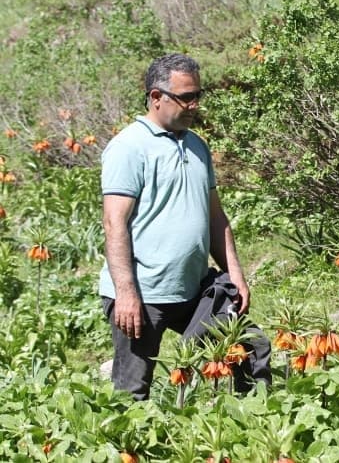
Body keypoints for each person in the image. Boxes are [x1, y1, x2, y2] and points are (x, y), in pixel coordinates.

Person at [99, 53, 264, 399]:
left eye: (197, 96)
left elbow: (216, 217)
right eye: (186, 97)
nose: (194, 105)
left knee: (251, 347)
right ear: (156, 97)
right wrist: (126, 294)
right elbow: (115, 223)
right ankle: (129, 449)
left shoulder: (197, 146)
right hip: (144, 293)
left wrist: (235, 275)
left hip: (193, 288)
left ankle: (255, 424)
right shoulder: (129, 147)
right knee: (132, 392)